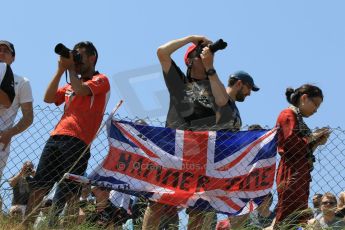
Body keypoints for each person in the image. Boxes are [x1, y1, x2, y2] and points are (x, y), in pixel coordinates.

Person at [24, 41, 110, 227]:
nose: (76, 61)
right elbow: (48, 97)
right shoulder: (71, 83)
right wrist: (60, 70)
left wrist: (70, 68)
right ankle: (25, 226)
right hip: (56, 136)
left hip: (78, 140)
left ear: (92, 58)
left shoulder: (101, 79)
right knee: (40, 186)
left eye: (79, 56)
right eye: (74, 57)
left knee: (70, 190)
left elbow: (81, 90)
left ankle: (63, 226)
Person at [274, 84, 330, 229]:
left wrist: (316, 142)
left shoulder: (298, 118)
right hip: (291, 172)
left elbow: (301, 147)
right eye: (315, 104)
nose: (316, 110)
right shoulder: (288, 114)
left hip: (301, 173)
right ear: (304, 98)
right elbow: (289, 144)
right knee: (288, 214)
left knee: (299, 216)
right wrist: (313, 137)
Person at [0, 40, 33, 180]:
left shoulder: (22, 82)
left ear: (13, 58)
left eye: (6, 51)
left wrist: (9, 133)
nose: (1, 53)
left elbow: (28, 117)